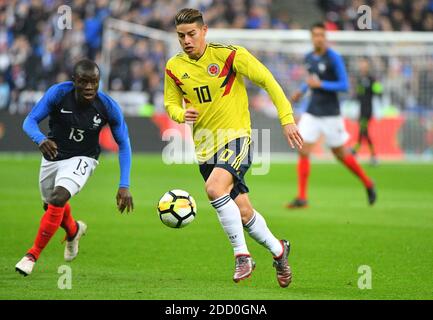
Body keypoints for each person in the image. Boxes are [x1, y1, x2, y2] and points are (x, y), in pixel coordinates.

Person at [164, 8, 303, 287]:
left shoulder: (229, 55)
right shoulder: (174, 67)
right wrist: (181, 115)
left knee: (214, 189)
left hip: (236, 137)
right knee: (243, 212)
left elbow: (268, 80)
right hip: (204, 148)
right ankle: (279, 250)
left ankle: (242, 256)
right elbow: (170, 103)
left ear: (204, 31)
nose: (187, 40)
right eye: (181, 36)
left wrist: (287, 118)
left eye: (192, 34)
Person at [15, 59, 134, 276]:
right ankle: (74, 230)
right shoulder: (58, 94)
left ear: (99, 82)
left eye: (94, 82)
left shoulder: (108, 107)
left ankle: (31, 256)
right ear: (74, 81)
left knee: (58, 198)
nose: (89, 87)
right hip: (53, 154)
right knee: (50, 206)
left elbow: (124, 144)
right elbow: (29, 121)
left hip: (83, 158)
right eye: (84, 82)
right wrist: (40, 139)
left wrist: (124, 184)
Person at [288, 23, 376, 209]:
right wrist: (301, 91)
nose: (319, 38)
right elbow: (311, 80)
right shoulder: (309, 57)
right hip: (312, 111)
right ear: (312, 37)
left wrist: (322, 86)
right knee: (303, 150)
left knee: (341, 154)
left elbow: (344, 85)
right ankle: (302, 197)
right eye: (315, 35)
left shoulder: (334, 58)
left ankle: (368, 183)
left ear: (325, 37)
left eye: (322, 35)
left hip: (331, 114)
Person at [351, 58, 383, 166]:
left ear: (368, 66)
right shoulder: (360, 79)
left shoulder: (372, 79)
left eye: (364, 65)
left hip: (368, 110)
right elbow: (358, 95)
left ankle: (366, 153)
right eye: (361, 64)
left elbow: (378, 92)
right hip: (361, 109)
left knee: (363, 130)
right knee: (363, 131)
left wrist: (378, 87)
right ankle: (366, 153)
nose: (362, 66)